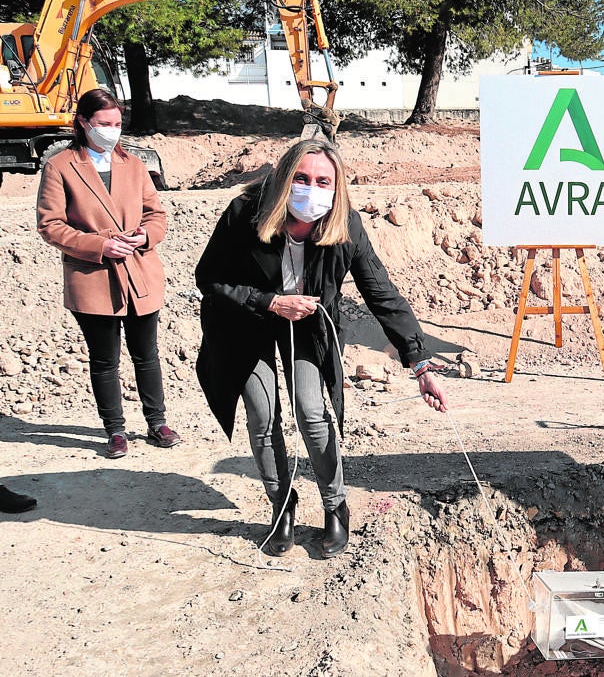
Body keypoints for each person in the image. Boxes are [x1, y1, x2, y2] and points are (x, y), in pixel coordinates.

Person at [195, 139, 448, 558]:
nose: (311, 189)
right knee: (262, 417)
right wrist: (270, 301)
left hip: (310, 327)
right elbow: (210, 277)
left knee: (311, 412)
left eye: (322, 181)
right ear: (282, 179)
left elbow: (381, 293)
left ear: (336, 188)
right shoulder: (244, 214)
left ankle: (336, 506)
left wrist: (420, 364)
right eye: (301, 178)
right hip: (247, 323)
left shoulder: (345, 225)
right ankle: (282, 507)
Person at [35, 89, 181, 458]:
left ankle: (157, 421)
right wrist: (99, 246)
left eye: (116, 124)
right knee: (105, 359)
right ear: (84, 122)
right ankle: (115, 430)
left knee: (146, 353)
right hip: (93, 277)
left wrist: (147, 235)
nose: (112, 131)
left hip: (139, 271)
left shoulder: (133, 164)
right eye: (104, 124)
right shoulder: (60, 166)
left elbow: (156, 214)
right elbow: (50, 225)